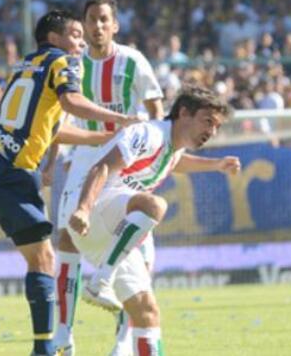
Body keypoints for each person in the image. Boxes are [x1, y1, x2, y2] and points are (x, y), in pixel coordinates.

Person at [0, 10, 138, 356]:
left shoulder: (26, 63)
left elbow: (52, 126)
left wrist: (100, 139)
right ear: (55, 38)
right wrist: (120, 118)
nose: (81, 41)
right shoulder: (63, 62)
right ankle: (44, 349)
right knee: (44, 260)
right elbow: (71, 101)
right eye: (76, 34)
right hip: (9, 166)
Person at [67, 86, 240, 355]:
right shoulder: (148, 132)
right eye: (208, 121)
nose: (212, 131)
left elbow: (177, 162)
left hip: (110, 234)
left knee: (147, 312)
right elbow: (101, 167)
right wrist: (83, 209)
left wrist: (216, 165)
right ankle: (101, 278)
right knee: (155, 205)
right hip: (94, 211)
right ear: (184, 113)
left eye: (216, 126)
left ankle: (102, 279)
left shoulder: (172, 149)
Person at [53, 0, 165, 356]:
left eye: (104, 19)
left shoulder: (133, 61)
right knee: (67, 237)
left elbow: (156, 111)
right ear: (83, 26)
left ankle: (123, 340)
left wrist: (152, 155)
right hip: (85, 157)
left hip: (125, 160)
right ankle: (63, 335)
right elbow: (59, 117)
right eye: (92, 19)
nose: (98, 26)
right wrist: (49, 161)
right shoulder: (73, 66)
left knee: (135, 250)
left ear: (114, 25)